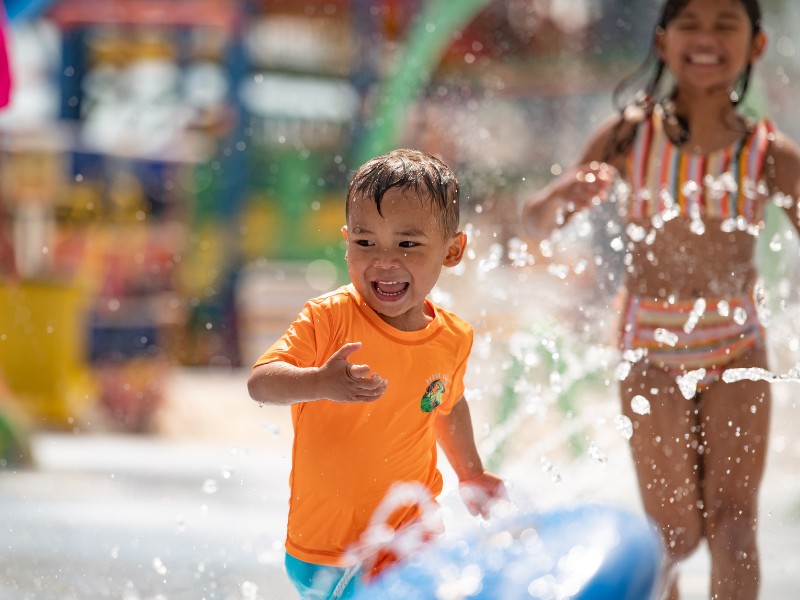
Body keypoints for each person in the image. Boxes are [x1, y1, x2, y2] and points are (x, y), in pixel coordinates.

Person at [522, 1, 800, 598]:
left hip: (738, 346)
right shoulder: (629, 136)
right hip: (649, 347)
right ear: (662, 40)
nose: (706, 37)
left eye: (726, 24)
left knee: (733, 526)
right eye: (690, 24)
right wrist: (563, 195)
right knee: (670, 533)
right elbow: (537, 224)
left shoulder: (769, 154)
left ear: (755, 44)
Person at [248, 148, 506, 599]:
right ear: (347, 240)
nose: (384, 261)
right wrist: (320, 382)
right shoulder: (329, 319)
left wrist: (471, 474)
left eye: (407, 244)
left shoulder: (452, 338)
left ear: (452, 250)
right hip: (325, 552)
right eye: (366, 243)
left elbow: (446, 405)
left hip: (407, 534)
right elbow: (261, 383)